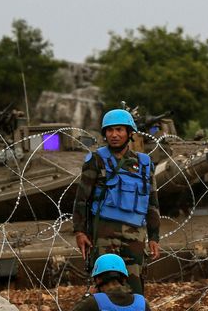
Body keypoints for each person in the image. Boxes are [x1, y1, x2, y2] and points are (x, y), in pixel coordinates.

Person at [73, 109, 161, 294]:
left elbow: (152, 202)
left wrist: (154, 237)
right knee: (106, 286)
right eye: (110, 130)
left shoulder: (144, 163)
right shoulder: (96, 160)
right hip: (105, 232)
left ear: (129, 133)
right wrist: (80, 231)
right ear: (104, 133)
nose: (114, 135)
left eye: (119, 129)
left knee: (135, 288)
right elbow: (82, 199)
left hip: (136, 235)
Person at [72, 253, 151, 311]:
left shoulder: (93, 302)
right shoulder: (142, 303)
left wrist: (87, 295)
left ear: (98, 280)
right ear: (123, 279)